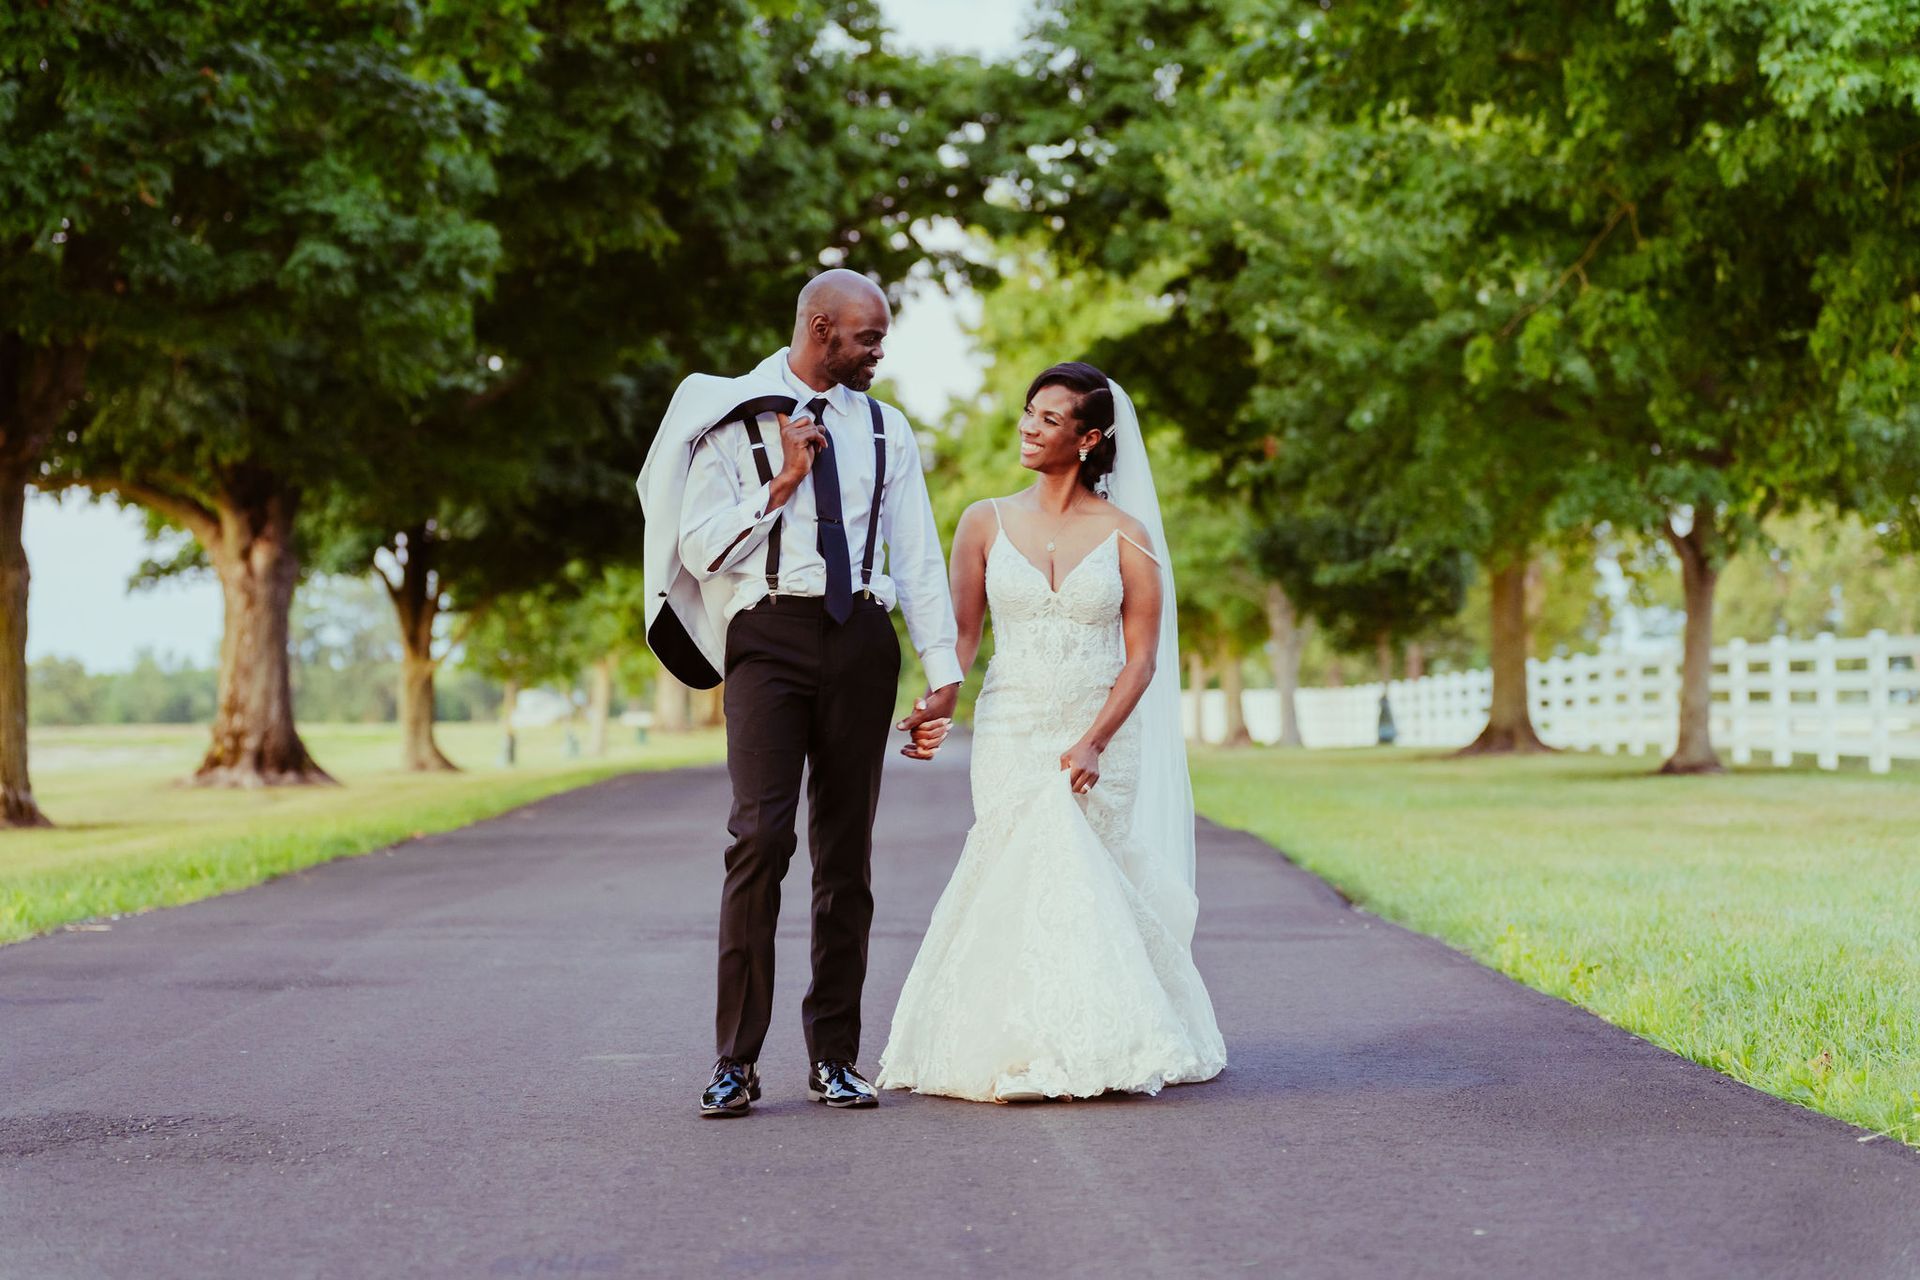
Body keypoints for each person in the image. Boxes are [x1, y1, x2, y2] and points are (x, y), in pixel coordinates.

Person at [637, 270, 959, 1117]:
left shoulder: (889, 430)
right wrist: (778, 486)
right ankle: (736, 1061)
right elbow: (700, 552)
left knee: (845, 856)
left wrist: (943, 669)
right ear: (820, 329)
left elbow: (918, 554)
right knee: (759, 839)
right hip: (768, 641)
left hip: (860, 641)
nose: (880, 353)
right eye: (868, 338)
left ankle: (836, 1057)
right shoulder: (727, 420)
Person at [876, 362, 1227, 1103]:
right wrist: (937, 703)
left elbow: (1141, 662)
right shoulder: (983, 521)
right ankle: (1016, 1041)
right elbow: (963, 642)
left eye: (1049, 419)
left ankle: (1100, 1038)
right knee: (1016, 869)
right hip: (1012, 725)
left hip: (1099, 731)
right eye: (1027, 414)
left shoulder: (1129, 537)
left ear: (1089, 438)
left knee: (1084, 876)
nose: (1028, 430)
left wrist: (1096, 738)